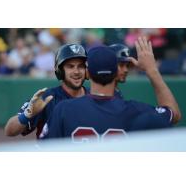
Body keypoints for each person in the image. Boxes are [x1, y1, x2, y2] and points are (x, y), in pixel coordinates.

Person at [44, 37, 181, 141]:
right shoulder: (138, 111)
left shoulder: (64, 109)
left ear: (88, 73)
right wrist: (152, 70)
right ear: (116, 73)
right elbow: (174, 114)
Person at [4, 43, 88, 139]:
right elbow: (9, 131)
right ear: (60, 71)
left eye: (81, 66)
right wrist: (27, 114)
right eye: (70, 66)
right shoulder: (46, 98)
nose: (76, 71)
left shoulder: (94, 96)